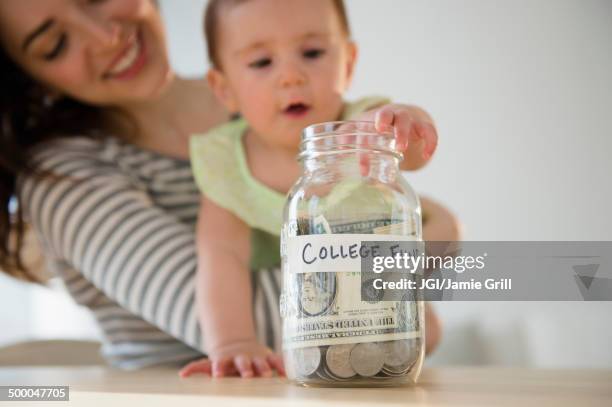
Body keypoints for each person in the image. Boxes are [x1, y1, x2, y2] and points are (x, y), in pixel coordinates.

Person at [0, 0, 454, 371]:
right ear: (26, 76)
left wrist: (410, 134)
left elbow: (406, 159)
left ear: (347, 60)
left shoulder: (313, 115)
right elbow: (258, 318)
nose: (105, 38)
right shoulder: (67, 178)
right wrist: (422, 251)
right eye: (56, 44)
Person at [181, 0, 444, 379]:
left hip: (364, 291)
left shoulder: (364, 128)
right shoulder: (225, 163)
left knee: (428, 329)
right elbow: (220, 256)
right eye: (261, 62)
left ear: (348, 64)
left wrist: (407, 122)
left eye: (312, 53)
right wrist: (232, 343)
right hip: (294, 302)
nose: (291, 76)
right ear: (224, 89)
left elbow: (414, 153)